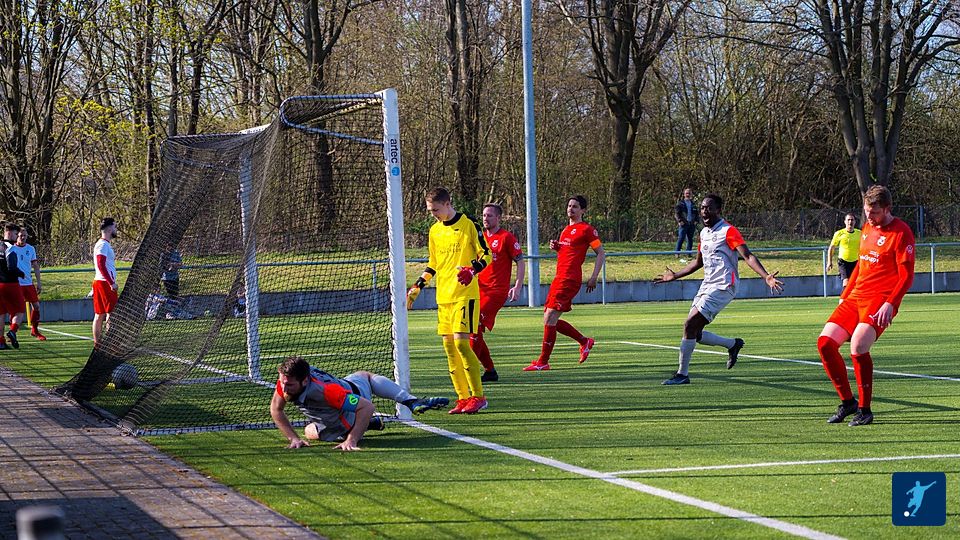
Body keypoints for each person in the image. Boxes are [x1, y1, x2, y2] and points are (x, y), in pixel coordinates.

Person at [654, 194, 784, 385]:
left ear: (718, 210)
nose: (704, 211)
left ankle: (682, 375)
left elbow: (747, 256)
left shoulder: (728, 231)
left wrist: (766, 276)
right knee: (695, 333)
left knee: (689, 324)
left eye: (709, 207)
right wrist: (675, 276)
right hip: (707, 285)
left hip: (724, 285)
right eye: (702, 208)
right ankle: (733, 344)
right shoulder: (703, 233)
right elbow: (698, 262)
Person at [817, 185, 915, 427]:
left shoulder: (901, 232)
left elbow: (906, 276)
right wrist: (845, 294)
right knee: (825, 344)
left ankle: (865, 409)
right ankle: (847, 402)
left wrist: (891, 303)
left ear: (887, 209)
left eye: (875, 212)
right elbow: (861, 265)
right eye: (866, 211)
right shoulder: (868, 228)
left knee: (858, 346)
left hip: (880, 300)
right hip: (856, 296)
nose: (869, 217)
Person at [406, 188, 491, 414]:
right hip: (444, 297)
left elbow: (487, 253)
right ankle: (462, 398)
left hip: (465, 294)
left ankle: (478, 396)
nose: (433, 214)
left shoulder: (469, 224)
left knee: (462, 344)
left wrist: (472, 270)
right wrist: (418, 286)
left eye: (435, 210)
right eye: (430, 210)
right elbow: (433, 265)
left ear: (447, 204)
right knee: (449, 347)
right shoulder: (434, 231)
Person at [270, 356, 449, 451]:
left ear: (304, 381)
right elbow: (276, 410)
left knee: (364, 377)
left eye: (289, 385)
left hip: (352, 396)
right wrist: (294, 438)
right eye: (282, 382)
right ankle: (407, 401)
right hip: (336, 420)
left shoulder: (327, 392)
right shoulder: (288, 380)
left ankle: (408, 401)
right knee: (309, 430)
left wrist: (352, 440)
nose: (284, 387)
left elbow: (367, 406)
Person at [523, 195, 605, 372]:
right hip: (559, 277)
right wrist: (557, 248)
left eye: (575, 206)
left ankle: (543, 361)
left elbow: (600, 253)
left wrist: (594, 277)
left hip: (570, 279)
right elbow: (568, 253)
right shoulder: (566, 230)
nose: (571, 209)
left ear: (583, 210)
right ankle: (584, 341)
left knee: (550, 317)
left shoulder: (587, 230)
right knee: (549, 318)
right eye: (569, 206)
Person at [471, 203, 525, 382]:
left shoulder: (506, 237)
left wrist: (517, 286)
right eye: (484, 215)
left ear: (498, 218)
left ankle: (468, 369)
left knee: (474, 327)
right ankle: (490, 371)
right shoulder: (480, 238)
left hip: (496, 291)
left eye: (490, 215)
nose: (486, 219)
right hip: (478, 289)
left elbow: (520, 261)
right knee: (474, 330)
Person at [10, 228, 44, 340]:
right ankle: (12, 332)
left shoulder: (30, 248)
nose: (23, 238)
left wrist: (39, 282)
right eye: (21, 235)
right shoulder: (11, 248)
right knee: (16, 309)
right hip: (16, 284)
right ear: (16, 236)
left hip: (28, 283)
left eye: (25, 235)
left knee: (36, 306)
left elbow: (35, 266)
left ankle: (35, 330)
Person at [92, 217, 119, 346]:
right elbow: (100, 265)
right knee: (110, 314)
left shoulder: (104, 244)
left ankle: (99, 344)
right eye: (114, 226)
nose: (116, 229)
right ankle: (108, 344)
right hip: (104, 283)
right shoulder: (102, 245)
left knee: (100, 314)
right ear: (109, 229)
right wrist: (111, 283)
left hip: (101, 282)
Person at [0, 223, 26, 349]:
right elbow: (11, 267)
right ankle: (13, 331)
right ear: (9, 233)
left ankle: (1, 341)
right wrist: (21, 273)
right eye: (16, 234)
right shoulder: (11, 248)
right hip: (10, 284)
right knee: (20, 310)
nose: (17, 237)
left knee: (1, 313)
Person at [826, 213, 861, 289]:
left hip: (855, 262)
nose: (850, 222)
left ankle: (850, 296)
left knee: (855, 284)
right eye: (848, 220)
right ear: (845, 222)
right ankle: (844, 296)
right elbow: (831, 248)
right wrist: (829, 262)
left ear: (855, 222)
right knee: (846, 282)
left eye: (852, 220)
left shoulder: (859, 233)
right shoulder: (839, 233)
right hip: (843, 261)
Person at [159, 244, 183, 319]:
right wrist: (168, 266)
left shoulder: (176, 253)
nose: (170, 247)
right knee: (171, 295)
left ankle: (175, 312)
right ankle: (170, 313)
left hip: (175, 277)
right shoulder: (164, 254)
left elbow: (180, 264)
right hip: (167, 278)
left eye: (171, 246)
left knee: (175, 294)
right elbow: (161, 265)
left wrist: (174, 265)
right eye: (169, 246)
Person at [674, 188, 698, 255]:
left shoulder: (693, 204)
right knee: (681, 238)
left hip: (691, 224)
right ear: (684, 194)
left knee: (690, 239)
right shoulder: (680, 203)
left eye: (689, 193)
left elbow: (696, 213)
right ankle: (677, 253)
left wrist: (696, 221)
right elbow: (677, 213)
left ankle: (688, 253)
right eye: (687, 193)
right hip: (684, 224)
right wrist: (679, 221)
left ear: (691, 194)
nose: (688, 195)